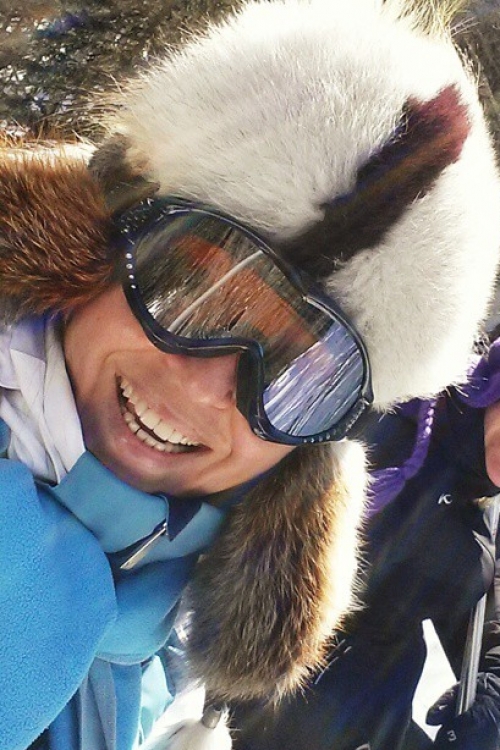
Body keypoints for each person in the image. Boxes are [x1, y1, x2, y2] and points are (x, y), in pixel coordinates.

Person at [0, 1, 499, 749]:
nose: (206, 391)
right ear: (102, 235)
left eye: (299, 378)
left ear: (317, 446)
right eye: (190, 291)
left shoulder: (163, 666)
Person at [229, 335, 500, 750]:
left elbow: (484, 617)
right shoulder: (387, 406)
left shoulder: (480, 501)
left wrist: (493, 689)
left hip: (371, 726)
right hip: (256, 702)